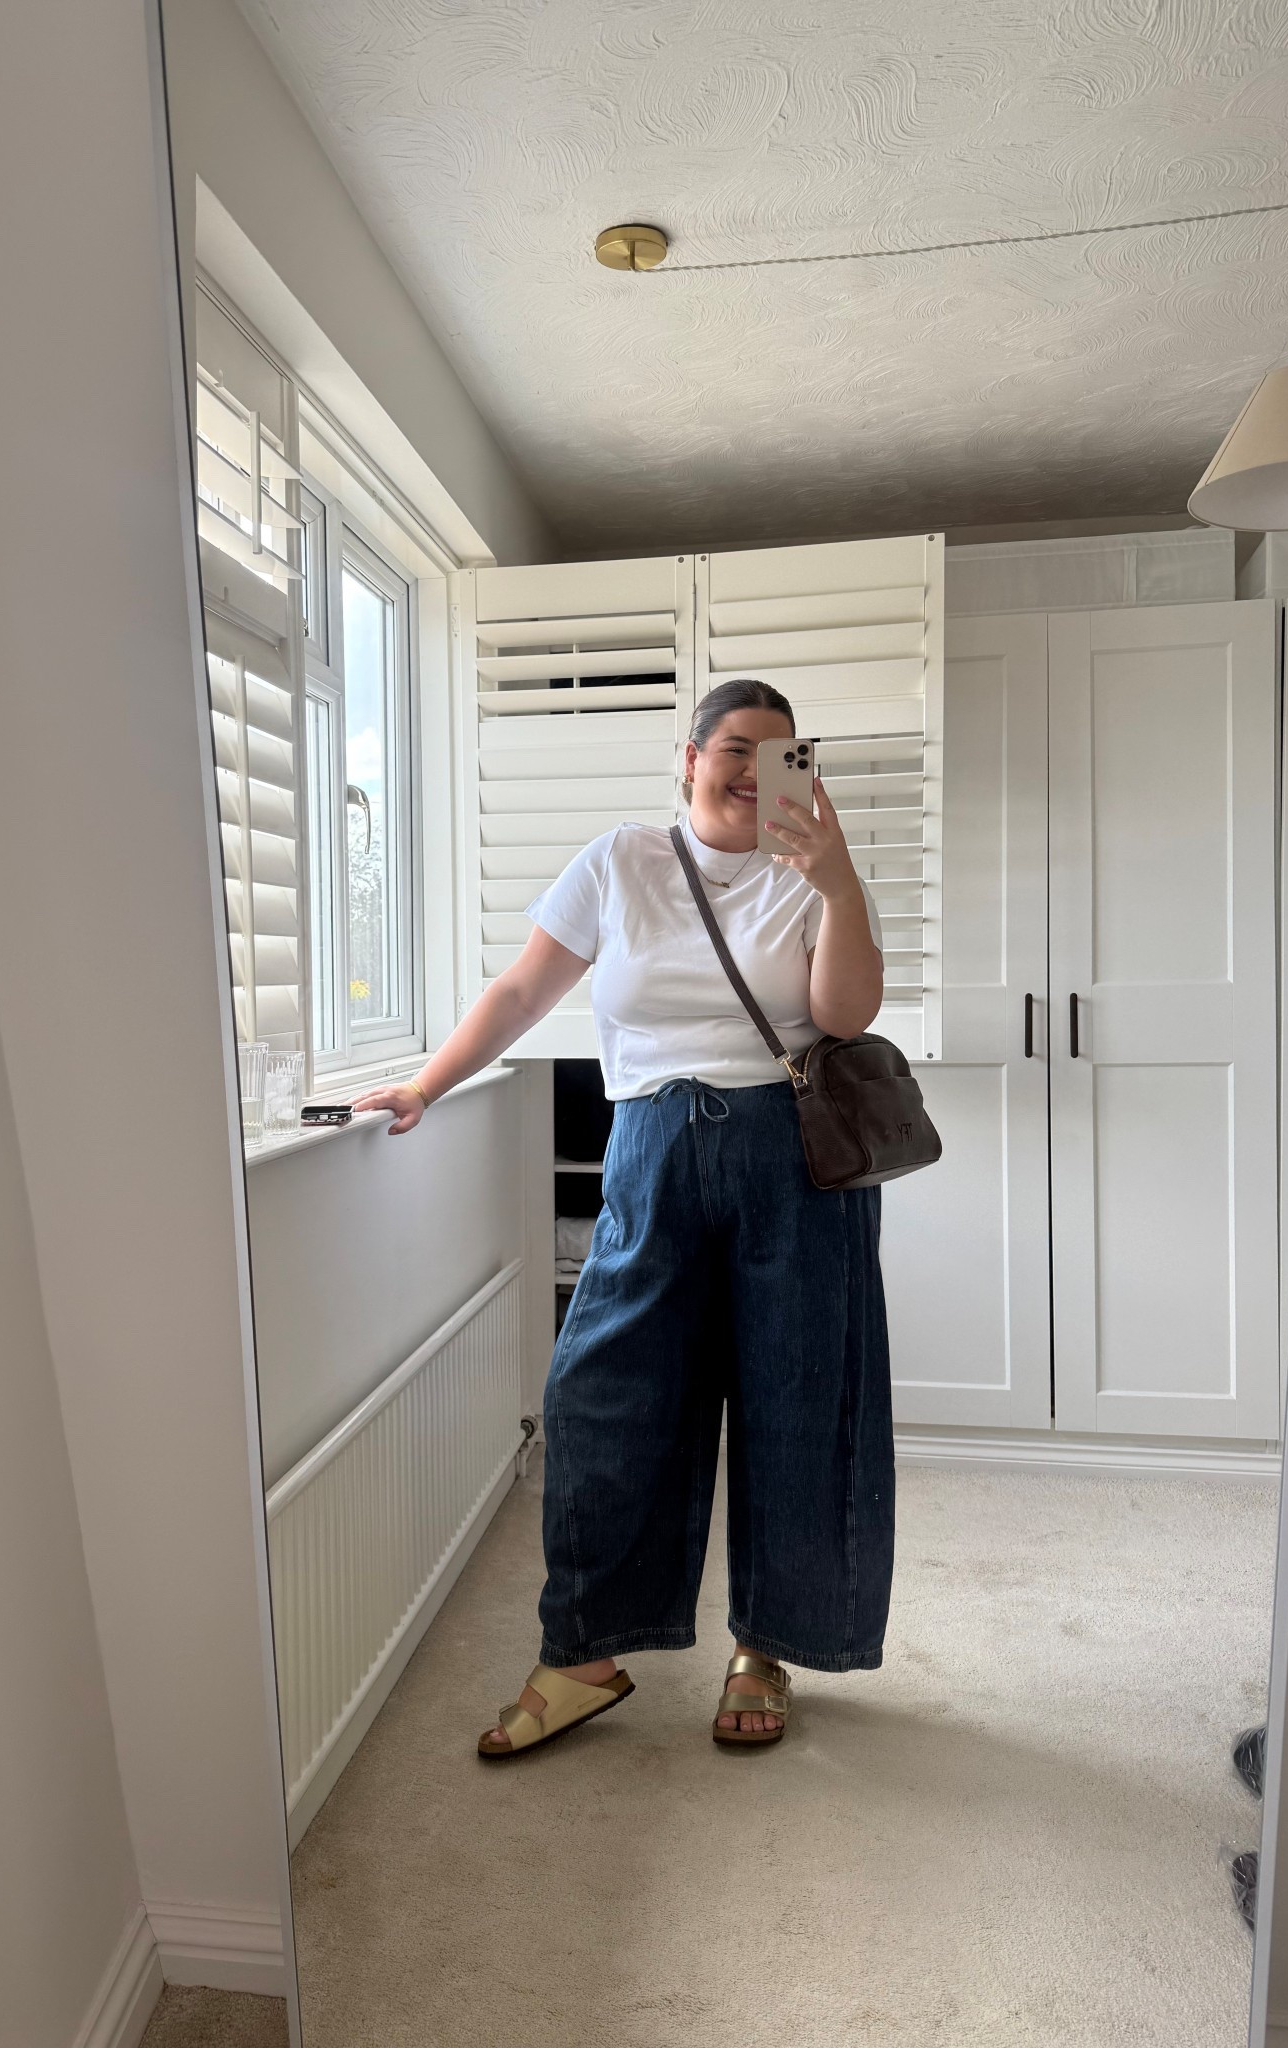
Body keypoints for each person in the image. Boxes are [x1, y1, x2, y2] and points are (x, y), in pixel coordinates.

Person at [353, 678, 892, 1753]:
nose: (753, 768)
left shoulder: (813, 874)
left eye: (782, 753)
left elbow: (845, 1014)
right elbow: (519, 991)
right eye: (735, 745)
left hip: (794, 1162)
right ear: (686, 758)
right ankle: (582, 1652)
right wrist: (428, 1082)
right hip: (651, 1148)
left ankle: (765, 1645)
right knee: (598, 1388)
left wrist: (836, 889)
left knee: (797, 1399)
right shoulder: (619, 862)